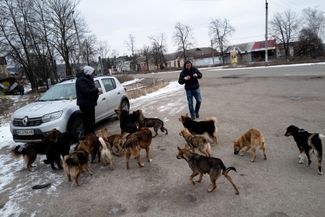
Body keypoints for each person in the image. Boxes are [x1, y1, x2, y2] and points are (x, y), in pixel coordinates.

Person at [75, 66, 102, 134]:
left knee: (91, 121)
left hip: (90, 103)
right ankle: (90, 136)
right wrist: (97, 90)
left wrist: (96, 95)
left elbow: (91, 90)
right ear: (89, 73)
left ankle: (91, 135)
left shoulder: (88, 79)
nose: (94, 75)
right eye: (93, 73)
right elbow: (86, 91)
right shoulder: (81, 80)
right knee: (88, 122)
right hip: (85, 105)